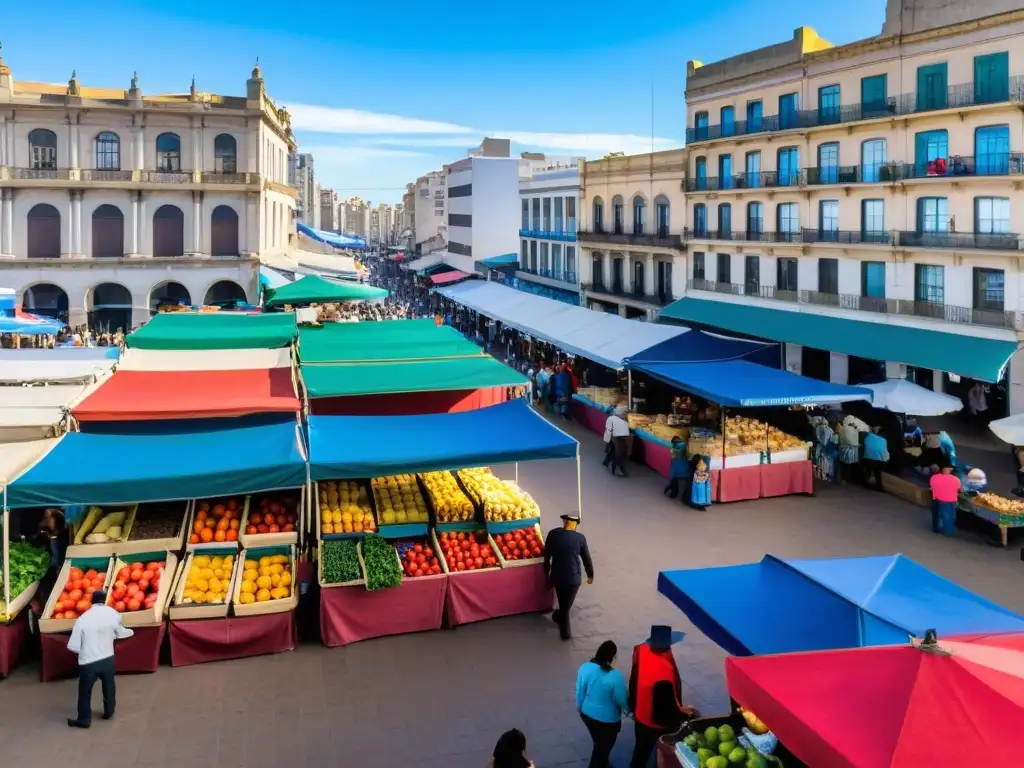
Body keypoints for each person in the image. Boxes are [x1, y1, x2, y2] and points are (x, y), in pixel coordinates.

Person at [628, 625, 697, 768]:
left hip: (640, 713)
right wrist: (684, 716)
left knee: (640, 752)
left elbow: (633, 679)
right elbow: (665, 711)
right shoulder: (663, 673)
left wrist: (632, 706)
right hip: (653, 722)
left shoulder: (641, 650)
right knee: (662, 751)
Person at [66, 590, 134, 728]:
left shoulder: (82, 619)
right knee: (109, 686)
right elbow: (121, 633)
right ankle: (109, 711)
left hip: (88, 663)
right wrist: (131, 631)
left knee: (85, 692)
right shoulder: (113, 614)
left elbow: (73, 646)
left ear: (91, 601)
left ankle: (84, 720)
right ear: (105, 600)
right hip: (108, 659)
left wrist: (85, 650)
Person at [577, 640, 630, 768]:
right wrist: (628, 711)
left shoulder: (585, 668)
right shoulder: (615, 676)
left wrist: (580, 708)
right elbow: (621, 699)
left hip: (587, 714)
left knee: (599, 742)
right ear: (613, 657)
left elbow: (580, 691)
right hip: (608, 721)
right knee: (601, 751)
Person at [542, 514, 594, 641]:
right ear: (574, 524)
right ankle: (565, 633)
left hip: (557, 577)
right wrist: (590, 574)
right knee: (566, 606)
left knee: (564, 604)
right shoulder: (580, 538)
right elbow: (586, 558)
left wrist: (547, 575)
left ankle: (559, 616)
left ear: (565, 522)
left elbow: (547, 556)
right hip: (574, 579)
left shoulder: (553, 534)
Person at [929, 464, 961, 536]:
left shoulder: (934, 477)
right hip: (950, 500)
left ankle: (936, 529)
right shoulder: (956, 480)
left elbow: (931, 487)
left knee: (936, 514)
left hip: (936, 498)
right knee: (949, 516)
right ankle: (948, 531)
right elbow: (959, 490)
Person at [603, 407, 631, 477]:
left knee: (614, 451)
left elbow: (608, 431)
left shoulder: (611, 419)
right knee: (617, 453)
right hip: (619, 438)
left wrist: (606, 444)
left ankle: (607, 463)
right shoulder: (623, 422)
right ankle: (618, 469)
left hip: (613, 437)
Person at [862, 425, 889, 490]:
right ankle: (879, 485)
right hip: (880, 461)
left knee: (867, 468)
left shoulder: (868, 437)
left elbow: (865, 446)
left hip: (869, 459)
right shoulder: (883, 440)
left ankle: (866, 483)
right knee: (878, 471)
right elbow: (885, 452)